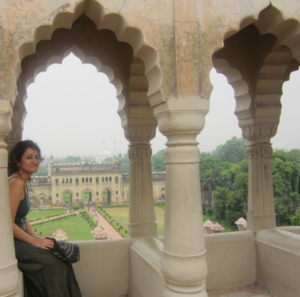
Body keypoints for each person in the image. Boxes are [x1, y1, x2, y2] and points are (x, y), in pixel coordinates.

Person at [8, 140, 82, 297]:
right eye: (29, 157)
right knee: (54, 263)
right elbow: (8, 223)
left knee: (60, 257)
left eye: (37, 156)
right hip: (12, 244)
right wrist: (34, 242)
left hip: (20, 241)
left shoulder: (22, 182)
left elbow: (22, 218)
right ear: (17, 161)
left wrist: (36, 238)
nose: (35, 161)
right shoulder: (16, 183)